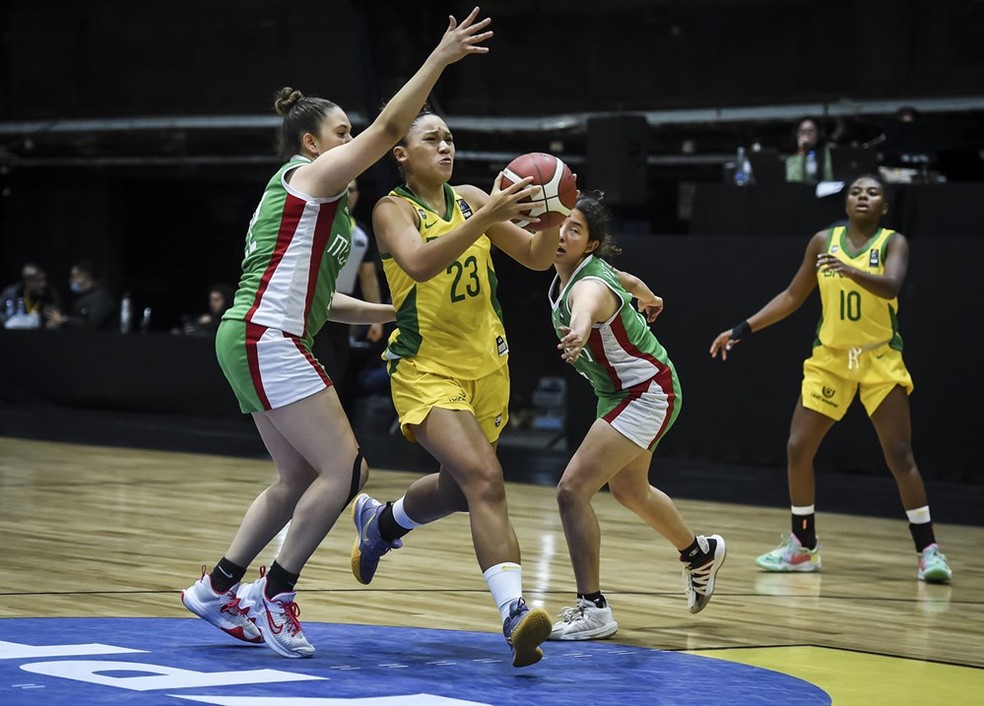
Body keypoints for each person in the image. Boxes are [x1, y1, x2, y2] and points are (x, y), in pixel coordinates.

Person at [179, 9, 493, 659]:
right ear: (312, 145)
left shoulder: (317, 210)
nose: (355, 143)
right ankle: (278, 594)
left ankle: (217, 587)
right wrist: (439, 57)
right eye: (341, 133)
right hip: (266, 335)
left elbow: (322, 306)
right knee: (348, 469)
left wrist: (389, 316)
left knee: (296, 476)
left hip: (256, 334)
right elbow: (390, 128)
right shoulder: (311, 178)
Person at [348, 108, 561, 668]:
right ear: (402, 153)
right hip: (425, 369)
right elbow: (418, 263)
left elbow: (538, 259)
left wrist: (557, 211)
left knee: (460, 487)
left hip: (488, 367)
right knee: (486, 479)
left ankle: (383, 521)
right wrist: (487, 213)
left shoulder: (469, 196)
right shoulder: (390, 209)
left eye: (450, 139)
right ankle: (515, 614)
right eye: (432, 139)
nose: (445, 147)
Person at [709, 174, 952, 584]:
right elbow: (791, 296)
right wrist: (742, 328)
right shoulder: (823, 241)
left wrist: (849, 269)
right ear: (845, 203)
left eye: (873, 192)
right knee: (798, 447)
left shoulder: (893, 243)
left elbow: (891, 286)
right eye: (856, 191)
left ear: (885, 206)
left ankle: (928, 551)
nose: (863, 196)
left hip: (878, 358)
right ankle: (803, 547)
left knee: (899, 454)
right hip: (832, 361)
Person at [545, 194, 726, 641]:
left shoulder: (586, 286)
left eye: (575, 229)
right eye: (560, 225)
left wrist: (580, 330)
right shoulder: (587, 272)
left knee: (571, 491)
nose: (563, 234)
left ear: (589, 245)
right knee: (629, 490)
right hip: (624, 392)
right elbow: (625, 278)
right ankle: (699, 553)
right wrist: (650, 296)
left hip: (646, 392)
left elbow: (589, 302)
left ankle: (594, 609)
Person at [315, 179, 386, 406]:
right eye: (342, 188)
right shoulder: (317, 223)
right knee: (317, 373)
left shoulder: (362, 234)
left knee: (336, 372)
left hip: (341, 313)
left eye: (353, 189)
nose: (348, 193)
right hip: (311, 310)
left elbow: (368, 277)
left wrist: (376, 320)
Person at [45, 261, 116, 331]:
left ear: (84, 277)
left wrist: (63, 320)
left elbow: (91, 325)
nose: (70, 280)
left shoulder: (101, 298)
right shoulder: (82, 297)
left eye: (73, 277)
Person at [1, 263, 61, 329]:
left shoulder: (49, 294)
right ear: (27, 282)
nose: (43, 284)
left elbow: (57, 315)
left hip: (39, 335)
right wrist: (7, 322)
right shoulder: (12, 293)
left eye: (44, 280)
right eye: (38, 281)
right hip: (13, 333)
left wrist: (52, 321)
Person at [785, 118, 834, 183]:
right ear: (797, 135)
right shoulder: (792, 158)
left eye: (810, 131)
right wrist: (801, 149)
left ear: (818, 134)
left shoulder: (827, 153)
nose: (806, 135)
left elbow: (830, 177)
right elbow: (794, 180)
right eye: (801, 131)